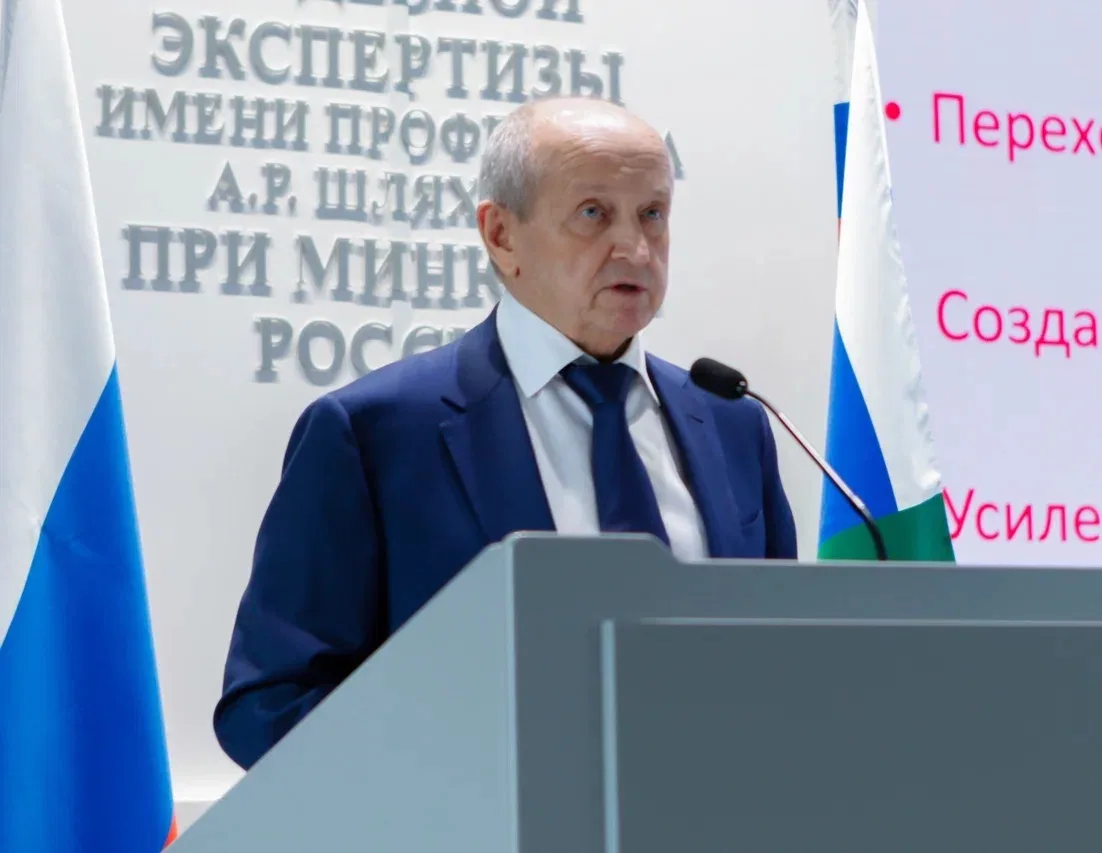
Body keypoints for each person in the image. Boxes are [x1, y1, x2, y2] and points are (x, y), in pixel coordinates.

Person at [212, 96, 798, 769]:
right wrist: (461, 775)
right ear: (501, 235)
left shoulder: (731, 421)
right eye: (593, 213)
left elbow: (780, 662)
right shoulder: (375, 435)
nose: (635, 248)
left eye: (653, 214)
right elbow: (271, 702)